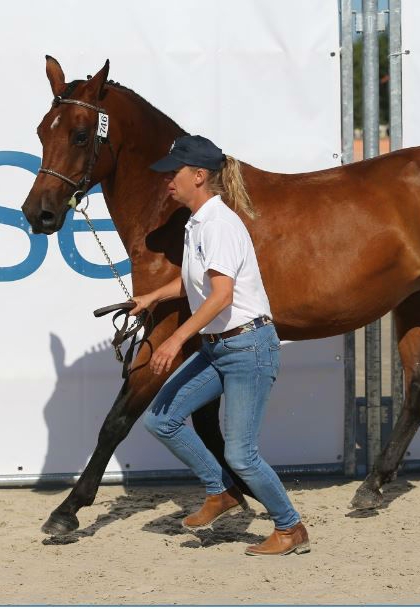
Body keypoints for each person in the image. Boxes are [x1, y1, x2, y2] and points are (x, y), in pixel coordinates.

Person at [131, 135, 309, 556]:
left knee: (242, 454)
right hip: (220, 348)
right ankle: (223, 492)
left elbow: (221, 295)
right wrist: (153, 297)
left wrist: (175, 339)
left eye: (174, 173)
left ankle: (290, 528)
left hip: (248, 348)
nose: (167, 181)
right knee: (161, 419)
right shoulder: (198, 223)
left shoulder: (219, 224)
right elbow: (198, 283)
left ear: (198, 176)